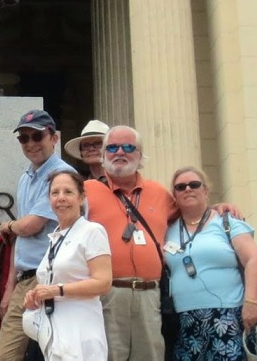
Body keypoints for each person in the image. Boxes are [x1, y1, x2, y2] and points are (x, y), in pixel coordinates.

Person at [84, 125, 175, 361]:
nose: (119, 152)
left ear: (140, 154)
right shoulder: (86, 191)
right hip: (107, 294)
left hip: (149, 296)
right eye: (112, 147)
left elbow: (190, 214)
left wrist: (219, 209)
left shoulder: (159, 193)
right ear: (103, 156)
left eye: (128, 147)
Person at [0, 109, 76, 361]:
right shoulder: (26, 178)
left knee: (58, 355)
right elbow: (22, 240)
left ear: (54, 138)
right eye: (23, 138)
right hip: (26, 280)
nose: (30, 143)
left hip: (56, 279)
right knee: (5, 356)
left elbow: (31, 226)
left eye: (37, 136)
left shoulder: (63, 176)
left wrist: (8, 226)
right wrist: (10, 286)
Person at [164, 167, 257, 361]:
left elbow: (253, 260)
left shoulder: (226, 222)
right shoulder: (167, 229)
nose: (188, 189)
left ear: (205, 190)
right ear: (174, 195)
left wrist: (251, 303)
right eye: (180, 187)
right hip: (183, 320)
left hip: (228, 315)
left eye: (194, 184)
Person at [23, 170, 112, 360]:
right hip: (55, 333)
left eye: (68, 192)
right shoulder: (56, 237)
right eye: (55, 193)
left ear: (82, 198)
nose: (61, 198)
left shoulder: (92, 231)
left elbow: (103, 283)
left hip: (81, 332)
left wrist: (57, 290)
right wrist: (36, 296)